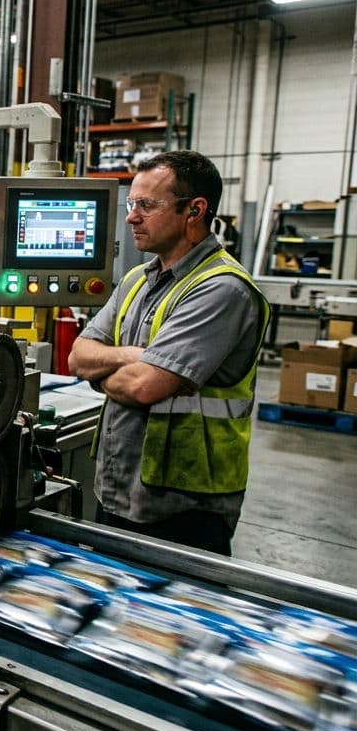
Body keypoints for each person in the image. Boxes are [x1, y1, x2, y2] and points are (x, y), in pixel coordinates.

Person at [67, 150, 270, 556]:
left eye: (146, 205)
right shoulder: (136, 281)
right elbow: (77, 356)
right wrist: (132, 356)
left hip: (185, 507)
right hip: (118, 489)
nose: (131, 217)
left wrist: (105, 372)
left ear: (194, 210)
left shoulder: (222, 289)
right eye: (132, 204)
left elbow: (144, 387)